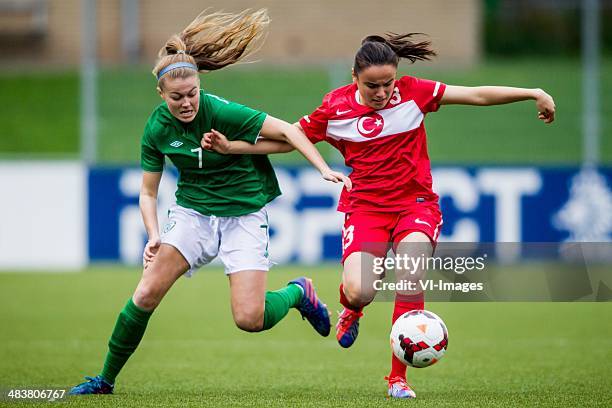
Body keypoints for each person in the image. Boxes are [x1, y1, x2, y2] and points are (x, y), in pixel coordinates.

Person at [202, 32, 556, 399]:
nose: (382, 92)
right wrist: (233, 147)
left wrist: (531, 93)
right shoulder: (335, 108)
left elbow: (476, 94)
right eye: (372, 85)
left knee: (411, 272)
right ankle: (351, 308)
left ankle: (398, 378)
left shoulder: (415, 92)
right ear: (354, 76)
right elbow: (290, 138)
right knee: (359, 290)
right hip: (365, 209)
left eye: (388, 83)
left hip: (415, 205)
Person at [68, 9, 351, 395]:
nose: (186, 104)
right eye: (176, 98)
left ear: (200, 86)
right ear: (161, 94)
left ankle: (299, 292)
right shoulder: (157, 128)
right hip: (193, 213)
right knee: (146, 292)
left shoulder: (221, 111)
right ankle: (104, 381)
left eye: (192, 94)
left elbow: (288, 132)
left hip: (244, 213)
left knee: (249, 318)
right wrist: (153, 235)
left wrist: (321, 167)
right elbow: (148, 192)